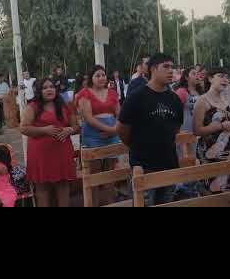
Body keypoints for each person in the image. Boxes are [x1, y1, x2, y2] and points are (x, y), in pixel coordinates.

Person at [116, 53, 183, 206]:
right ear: (153, 69)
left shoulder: (175, 99)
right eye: (166, 66)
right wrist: (137, 146)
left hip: (169, 165)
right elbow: (121, 130)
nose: (171, 71)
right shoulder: (136, 97)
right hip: (143, 167)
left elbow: (176, 128)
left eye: (172, 67)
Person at [21, 78, 78, 207]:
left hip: (62, 152)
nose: (49, 89)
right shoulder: (33, 106)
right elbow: (23, 128)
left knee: (63, 185)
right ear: (39, 91)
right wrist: (44, 130)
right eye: (45, 87)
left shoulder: (64, 105)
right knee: (43, 188)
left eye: (51, 86)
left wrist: (69, 130)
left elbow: (76, 126)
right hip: (41, 155)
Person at [77, 65, 120, 206]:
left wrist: (114, 129)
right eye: (97, 75)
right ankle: (93, 203)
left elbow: (119, 114)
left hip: (113, 134)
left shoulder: (113, 93)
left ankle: (110, 203)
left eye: (103, 75)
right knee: (94, 176)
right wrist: (109, 129)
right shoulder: (84, 93)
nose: (101, 78)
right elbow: (88, 118)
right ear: (91, 78)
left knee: (110, 174)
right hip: (93, 136)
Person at [193, 67, 230, 194]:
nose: (225, 80)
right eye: (221, 76)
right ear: (210, 78)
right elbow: (196, 130)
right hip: (209, 151)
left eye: (228, 77)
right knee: (212, 191)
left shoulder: (227, 100)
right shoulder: (202, 101)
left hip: (229, 149)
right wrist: (222, 126)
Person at [173, 68, 203, 199]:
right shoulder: (181, 92)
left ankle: (192, 187)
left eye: (198, 74)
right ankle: (182, 189)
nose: (197, 76)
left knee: (195, 158)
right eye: (193, 74)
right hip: (185, 131)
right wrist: (178, 130)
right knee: (184, 159)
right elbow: (174, 111)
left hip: (197, 131)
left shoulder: (199, 92)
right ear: (186, 77)